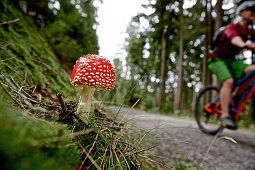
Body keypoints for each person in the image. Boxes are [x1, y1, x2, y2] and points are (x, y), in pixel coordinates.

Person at [208, 0, 255, 129]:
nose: (253, 13)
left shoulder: (250, 32)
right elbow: (235, 39)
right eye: (251, 10)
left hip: (232, 61)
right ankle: (224, 115)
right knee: (229, 81)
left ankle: (235, 97)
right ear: (241, 12)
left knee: (253, 70)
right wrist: (244, 44)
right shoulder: (231, 28)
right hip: (217, 60)